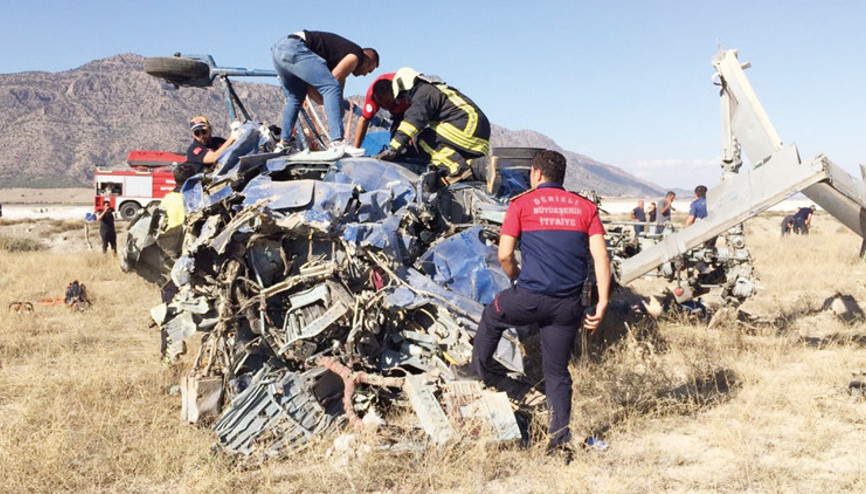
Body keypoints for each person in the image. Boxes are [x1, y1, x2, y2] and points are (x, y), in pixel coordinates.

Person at [470, 150, 611, 457]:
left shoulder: (521, 204)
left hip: (529, 298)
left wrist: (516, 276)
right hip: (568, 306)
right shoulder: (586, 208)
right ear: (561, 176)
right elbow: (601, 256)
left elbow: (505, 254)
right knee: (558, 372)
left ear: (535, 174)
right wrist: (601, 302)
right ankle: (558, 440)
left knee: (491, 316)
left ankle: (476, 376)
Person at [374, 67, 491, 184]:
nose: (405, 100)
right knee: (444, 148)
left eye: (402, 95)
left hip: (467, 128)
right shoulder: (434, 89)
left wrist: (394, 148)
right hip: (478, 132)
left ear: (406, 87)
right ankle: (481, 167)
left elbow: (412, 121)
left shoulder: (423, 93)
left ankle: (457, 169)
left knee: (423, 139)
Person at [271, 30, 378, 154]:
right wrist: (336, 104)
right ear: (367, 61)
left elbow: (309, 87)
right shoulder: (356, 55)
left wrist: (326, 103)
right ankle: (337, 141)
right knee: (331, 86)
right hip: (295, 47)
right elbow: (336, 79)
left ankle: (285, 143)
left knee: (295, 98)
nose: (365, 75)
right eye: (369, 70)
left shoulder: (328, 60)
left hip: (278, 51)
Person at [352, 73, 411, 149]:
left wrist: (412, 133)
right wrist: (355, 149)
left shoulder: (405, 88)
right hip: (397, 114)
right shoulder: (371, 96)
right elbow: (364, 120)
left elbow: (418, 113)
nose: (385, 106)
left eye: (388, 102)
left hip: (412, 109)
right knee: (396, 141)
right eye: (382, 104)